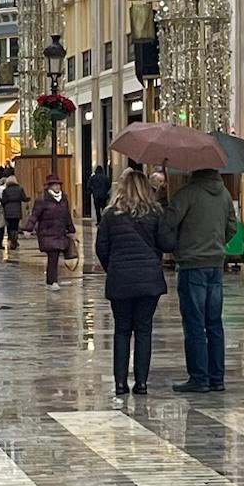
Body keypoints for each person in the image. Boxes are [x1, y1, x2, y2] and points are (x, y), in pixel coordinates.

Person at [163, 168, 237, 394]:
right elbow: (232, 228)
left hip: (192, 265)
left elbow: (168, 223)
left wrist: (166, 200)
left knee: (194, 323)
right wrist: (216, 244)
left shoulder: (187, 194)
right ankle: (217, 378)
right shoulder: (224, 194)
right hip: (215, 265)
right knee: (214, 322)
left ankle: (199, 378)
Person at [96, 169, 167, 396]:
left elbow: (101, 248)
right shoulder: (155, 213)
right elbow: (166, 243)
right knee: (144, 330)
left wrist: (113, 268)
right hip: (149, 280)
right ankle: (142, 383)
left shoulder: (110, 215)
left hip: (121, 280)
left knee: (122, 330)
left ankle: (120, 383)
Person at [22, 174, 77, 290]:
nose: (57, 187)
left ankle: (51, 281)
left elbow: (67, 216)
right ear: (49, 186)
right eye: (55, 185)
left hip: (60, 232)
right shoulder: (42, 200)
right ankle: (53, 281)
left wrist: (71, 230)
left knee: (57, 255)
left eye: (58, 185)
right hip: (47, 232)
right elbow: (34, 215)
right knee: (53, 256)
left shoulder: (63, 198)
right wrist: (28, 229)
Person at [0, 174, 28, 250]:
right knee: (15, 226)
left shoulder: (5, 190)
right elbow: (24, 198)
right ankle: (14, 241)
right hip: (17, 210)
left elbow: (3, 201)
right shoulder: (20, 189)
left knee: (10, 226)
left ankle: (12, 241)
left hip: (8, 210)